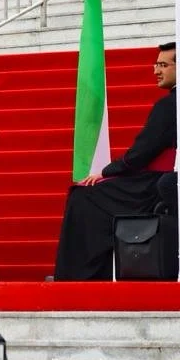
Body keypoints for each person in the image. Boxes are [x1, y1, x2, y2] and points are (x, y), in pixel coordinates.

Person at [54, 42, 177, 280]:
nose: (156, 71)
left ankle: (81, 276)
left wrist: (107, 171)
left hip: (154, 184)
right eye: (156, 65)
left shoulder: (169, 104)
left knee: (84, 196)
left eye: (163, 65)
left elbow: (142, 152)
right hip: (161, 179)